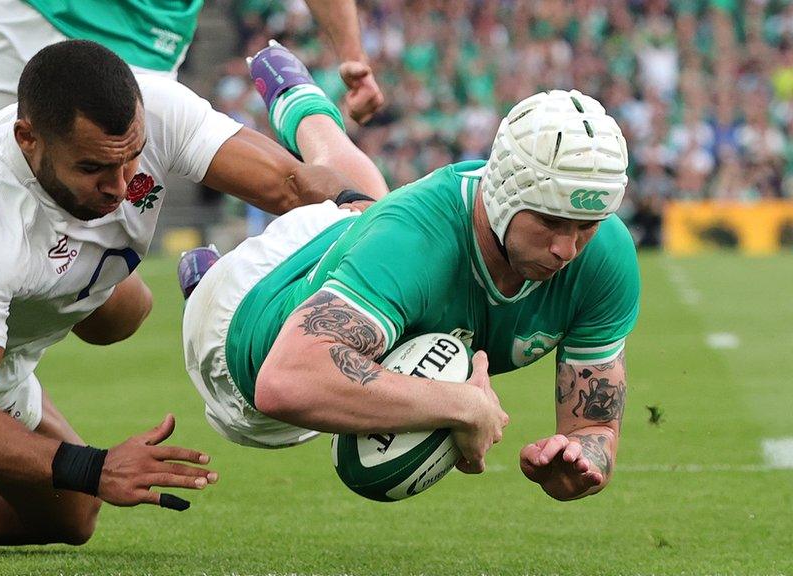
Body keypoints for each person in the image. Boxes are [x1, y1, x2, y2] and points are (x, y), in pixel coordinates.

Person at [0, 40, 362, 548]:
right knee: (73, 515)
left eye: (132, 158)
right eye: (95, 169)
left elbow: (292, 184)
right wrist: (95, 467)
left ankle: (103, 283)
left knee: (128, 311)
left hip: (71, 279)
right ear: (28, 139)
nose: (122, 184)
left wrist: (363, 228)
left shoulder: (153, 106)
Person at [181, 88, 638, 501]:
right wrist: (463, 405)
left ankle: (295, 95)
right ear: (502, 195)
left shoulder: (605, 255)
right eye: (550, 222)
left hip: (355, 251)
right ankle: (205, 281)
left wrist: (584, 459)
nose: (567, 249)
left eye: (585, 227)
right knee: (359, 206)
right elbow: (285, 382)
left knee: (364, 204)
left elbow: (594, 425)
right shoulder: (416, 238)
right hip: (240, 336)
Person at [0, 0, 387, 192]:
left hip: (148, 43)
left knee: (111, 290)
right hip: (34, 10)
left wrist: (351, 53)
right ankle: (303, 109)